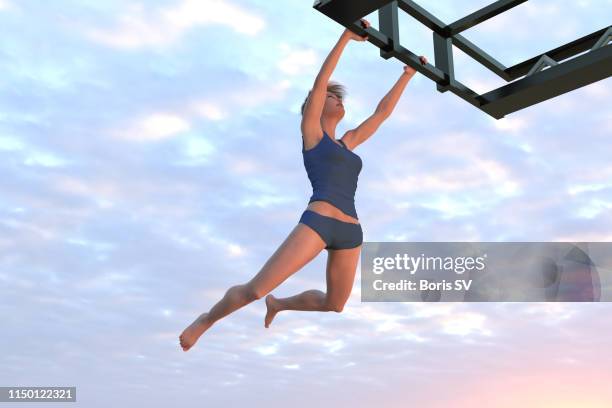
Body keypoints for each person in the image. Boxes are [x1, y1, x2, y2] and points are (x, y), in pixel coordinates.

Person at [179, 18, 428, 351]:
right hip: (318, 222)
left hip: (351, 232)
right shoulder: (312, 135)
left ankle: (279, 304)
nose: (339, 101)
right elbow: (321, 80)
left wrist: (407, 74)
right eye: (331, 97)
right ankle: (206, 320)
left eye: (340, 99)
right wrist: (345, 38)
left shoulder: (348, 143)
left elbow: (381, 114)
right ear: (314, 105)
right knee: (255, 289)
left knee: (335, 304)